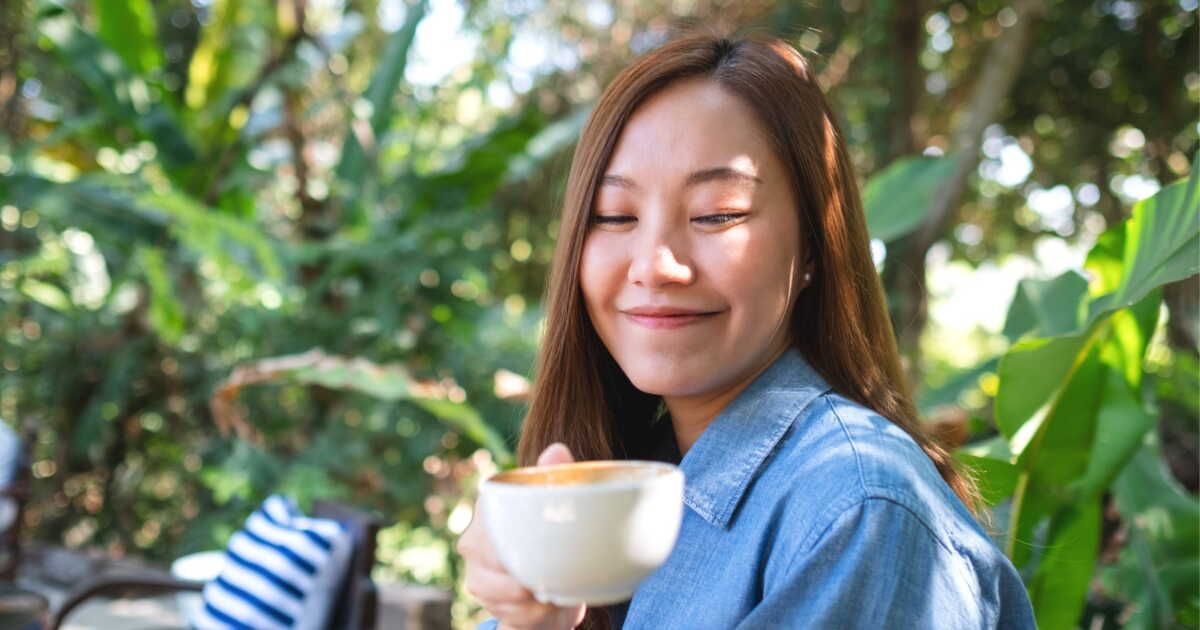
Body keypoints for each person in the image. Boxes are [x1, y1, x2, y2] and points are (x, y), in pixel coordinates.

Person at [456, 32, 1036, 630]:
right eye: (615, 217)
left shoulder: (855, 506)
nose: (655, 263)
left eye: (717, 214)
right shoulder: (630, 486)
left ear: (814, 245)